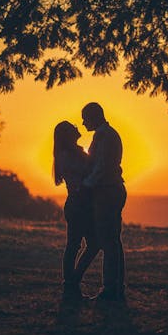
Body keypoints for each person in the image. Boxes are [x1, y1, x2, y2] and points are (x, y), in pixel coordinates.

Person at [81, 102, 127, 301]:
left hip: (108, 191)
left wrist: (86, 184)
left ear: (94, 116)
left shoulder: (104, 136)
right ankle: (116, 286)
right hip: (111, 190)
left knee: (109, 241)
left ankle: (110, 288)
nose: (82, 123)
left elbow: (102, 166)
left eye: (85, 118)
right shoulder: (107, 134)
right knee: (113, 241)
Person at [53, 121, 99, 301]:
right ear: (67, 135)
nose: (77, 127)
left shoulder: (76, 152)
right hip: (78, 203)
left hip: (83, 203)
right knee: (75, 245)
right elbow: (84, 174)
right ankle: (71, 283)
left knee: (91, 244)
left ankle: (73, 281)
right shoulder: (66, 155)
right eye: (72, 128)